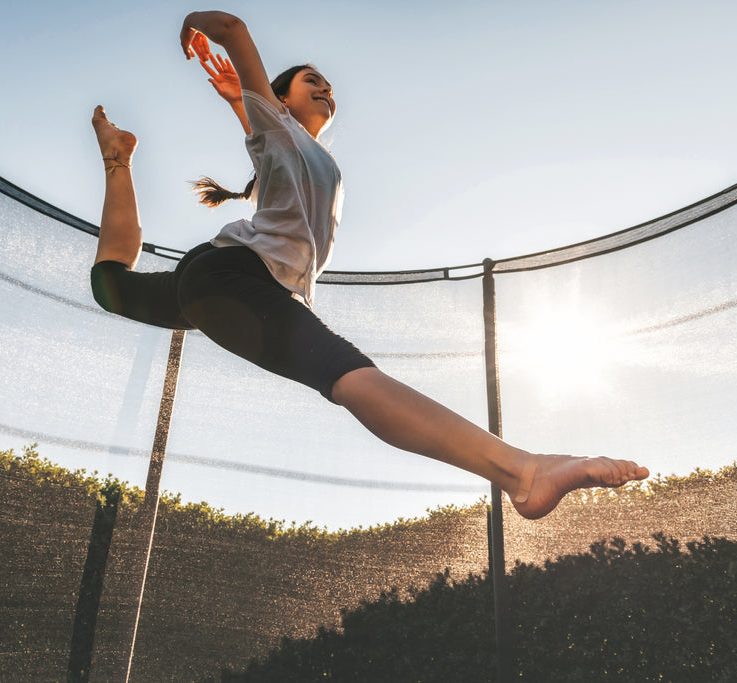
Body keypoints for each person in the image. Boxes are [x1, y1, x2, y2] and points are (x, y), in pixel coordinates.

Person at [89, 10, 649, 520]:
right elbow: (232, 29)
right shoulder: (280, 133)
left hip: (209, 279)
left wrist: (242, 105)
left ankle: (118, 159)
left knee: (110, 284)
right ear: (280, 101)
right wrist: (194, 22)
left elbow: (271, 145)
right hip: (235, 278)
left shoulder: (288, 146)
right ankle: (522, 471)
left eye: (329, 84)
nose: (327, 87)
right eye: (313, 81)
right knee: (352, 378)